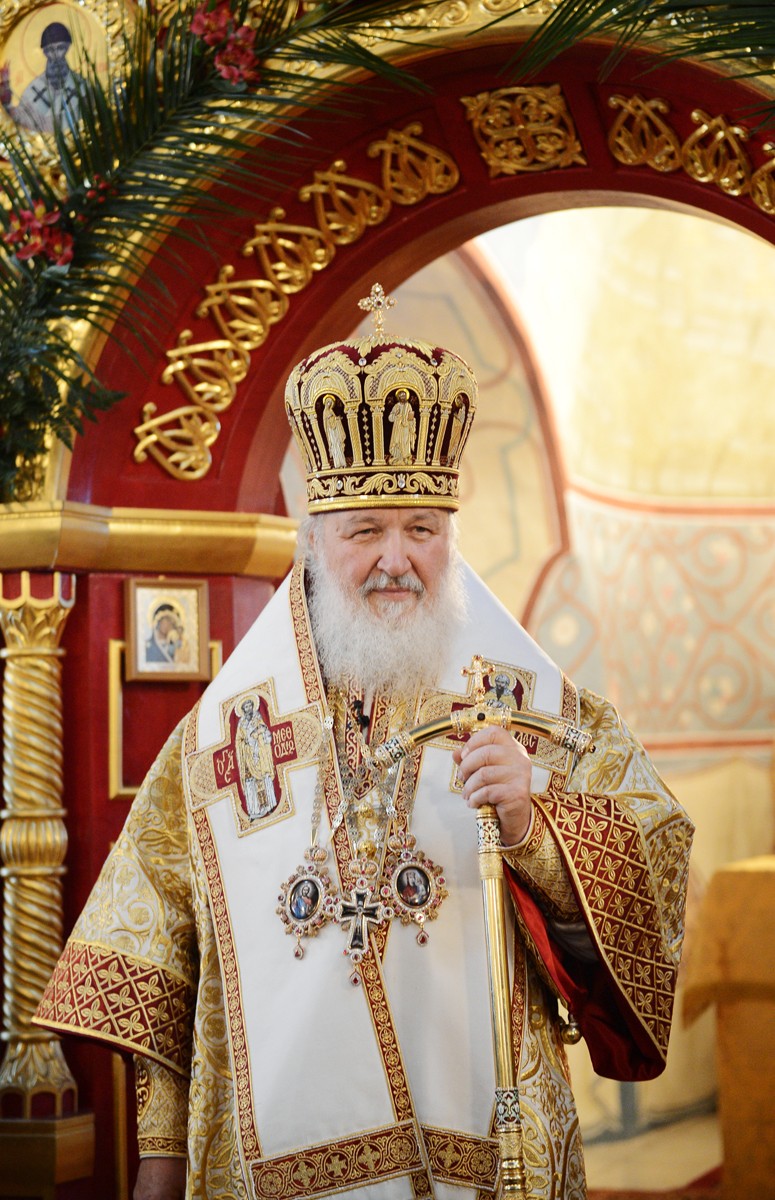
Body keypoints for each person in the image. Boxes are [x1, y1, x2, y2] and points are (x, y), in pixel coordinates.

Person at [34, 286, 693, 1200]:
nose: (396, 558)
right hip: (272, 1153)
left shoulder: (529, 709)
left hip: (482, 1141)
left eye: (422, 530)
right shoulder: (222, 736)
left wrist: (534, 825)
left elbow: (655, 851)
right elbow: (157, 957)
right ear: (315, 541)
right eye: (365, 531)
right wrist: (158, 1156)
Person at [1, 22, 87, 135]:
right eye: (50, 50)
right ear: (44, 52)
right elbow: (22, 120)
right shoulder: (34, 88)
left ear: (67, 48)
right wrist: (6, 103)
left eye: (60, 48)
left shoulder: (82, 85)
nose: (55, 55)